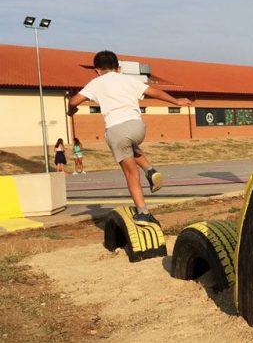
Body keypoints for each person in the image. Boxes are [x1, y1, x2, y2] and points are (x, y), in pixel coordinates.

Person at [67, 50, 192, 227]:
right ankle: (149, 169)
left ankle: (143, 212)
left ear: (96, 70)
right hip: (138, 127)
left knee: (131, 174)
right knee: (130, 145)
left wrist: (70, 111)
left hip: (116, 130)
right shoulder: (129, 79)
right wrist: (177, 101)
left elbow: (74, 101)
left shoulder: (95, 83)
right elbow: (155, 92)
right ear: (117, 68)